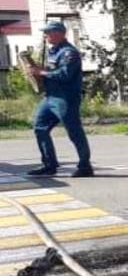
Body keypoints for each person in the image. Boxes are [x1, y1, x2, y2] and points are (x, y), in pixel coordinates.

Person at [27, 21, 92, 178]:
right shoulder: (53, 51)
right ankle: (49, 165)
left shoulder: (69, 53)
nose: (46, 36)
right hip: (50, 97)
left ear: (59, 33)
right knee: (40, 127)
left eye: (48, 32)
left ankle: (85, 166)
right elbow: (50, 70)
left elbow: (64, 75)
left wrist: (42, 73)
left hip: (65, 98)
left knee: (74, 132)